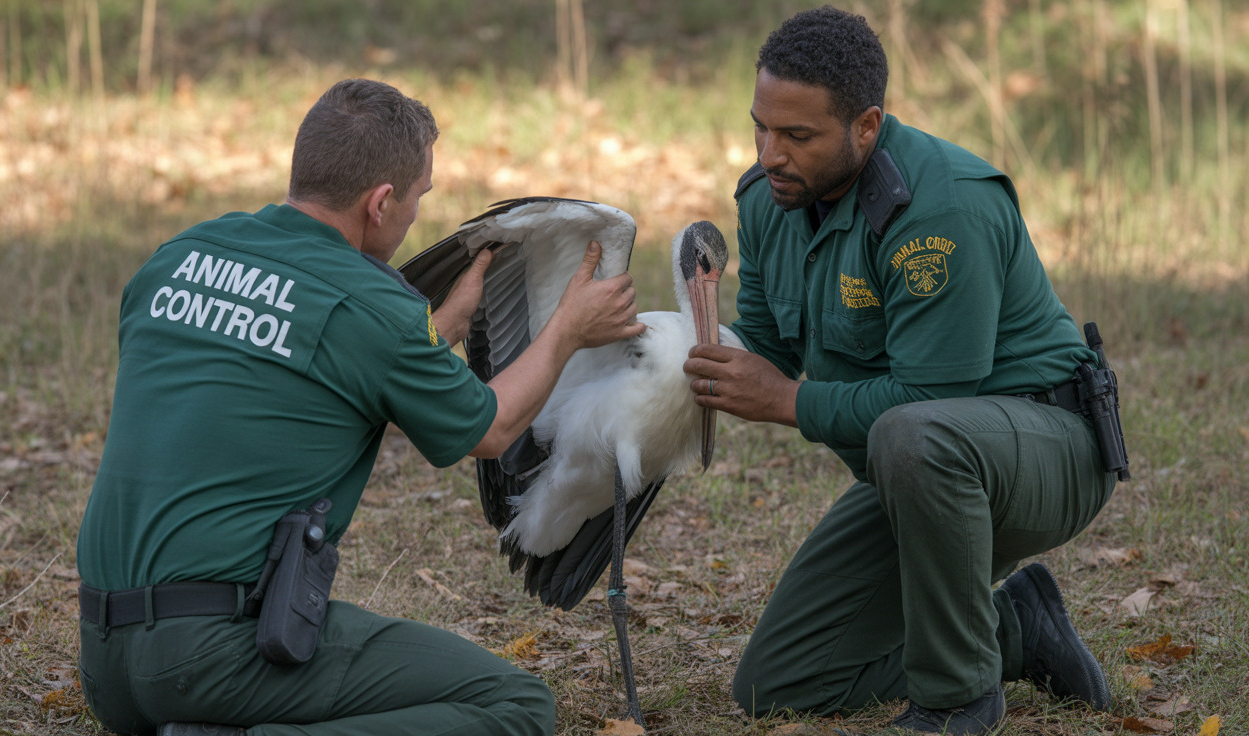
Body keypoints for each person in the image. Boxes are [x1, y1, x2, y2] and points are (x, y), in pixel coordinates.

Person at [75, 78, 644, 736]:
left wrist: (439, 333)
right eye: (417, 198)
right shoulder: (369, 306)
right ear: (379, 203)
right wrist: (568, 329)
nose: (413, 218)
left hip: (106, 666)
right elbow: (491, 428)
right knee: (516, 708)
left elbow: (284, 369)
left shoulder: (176, 258)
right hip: (215, 656)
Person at [684, 7, 1120, 735]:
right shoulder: (767, 201)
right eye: (760, 126)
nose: (770, 154)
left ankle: (957, 700)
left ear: (866, 126)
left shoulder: (938, 207)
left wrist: (788, 400)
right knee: (780, 680)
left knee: (914, 434)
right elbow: (761, 343)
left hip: (1047, 448)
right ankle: (1018, 627)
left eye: (797, 136)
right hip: (921, 473)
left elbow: (929, 398)